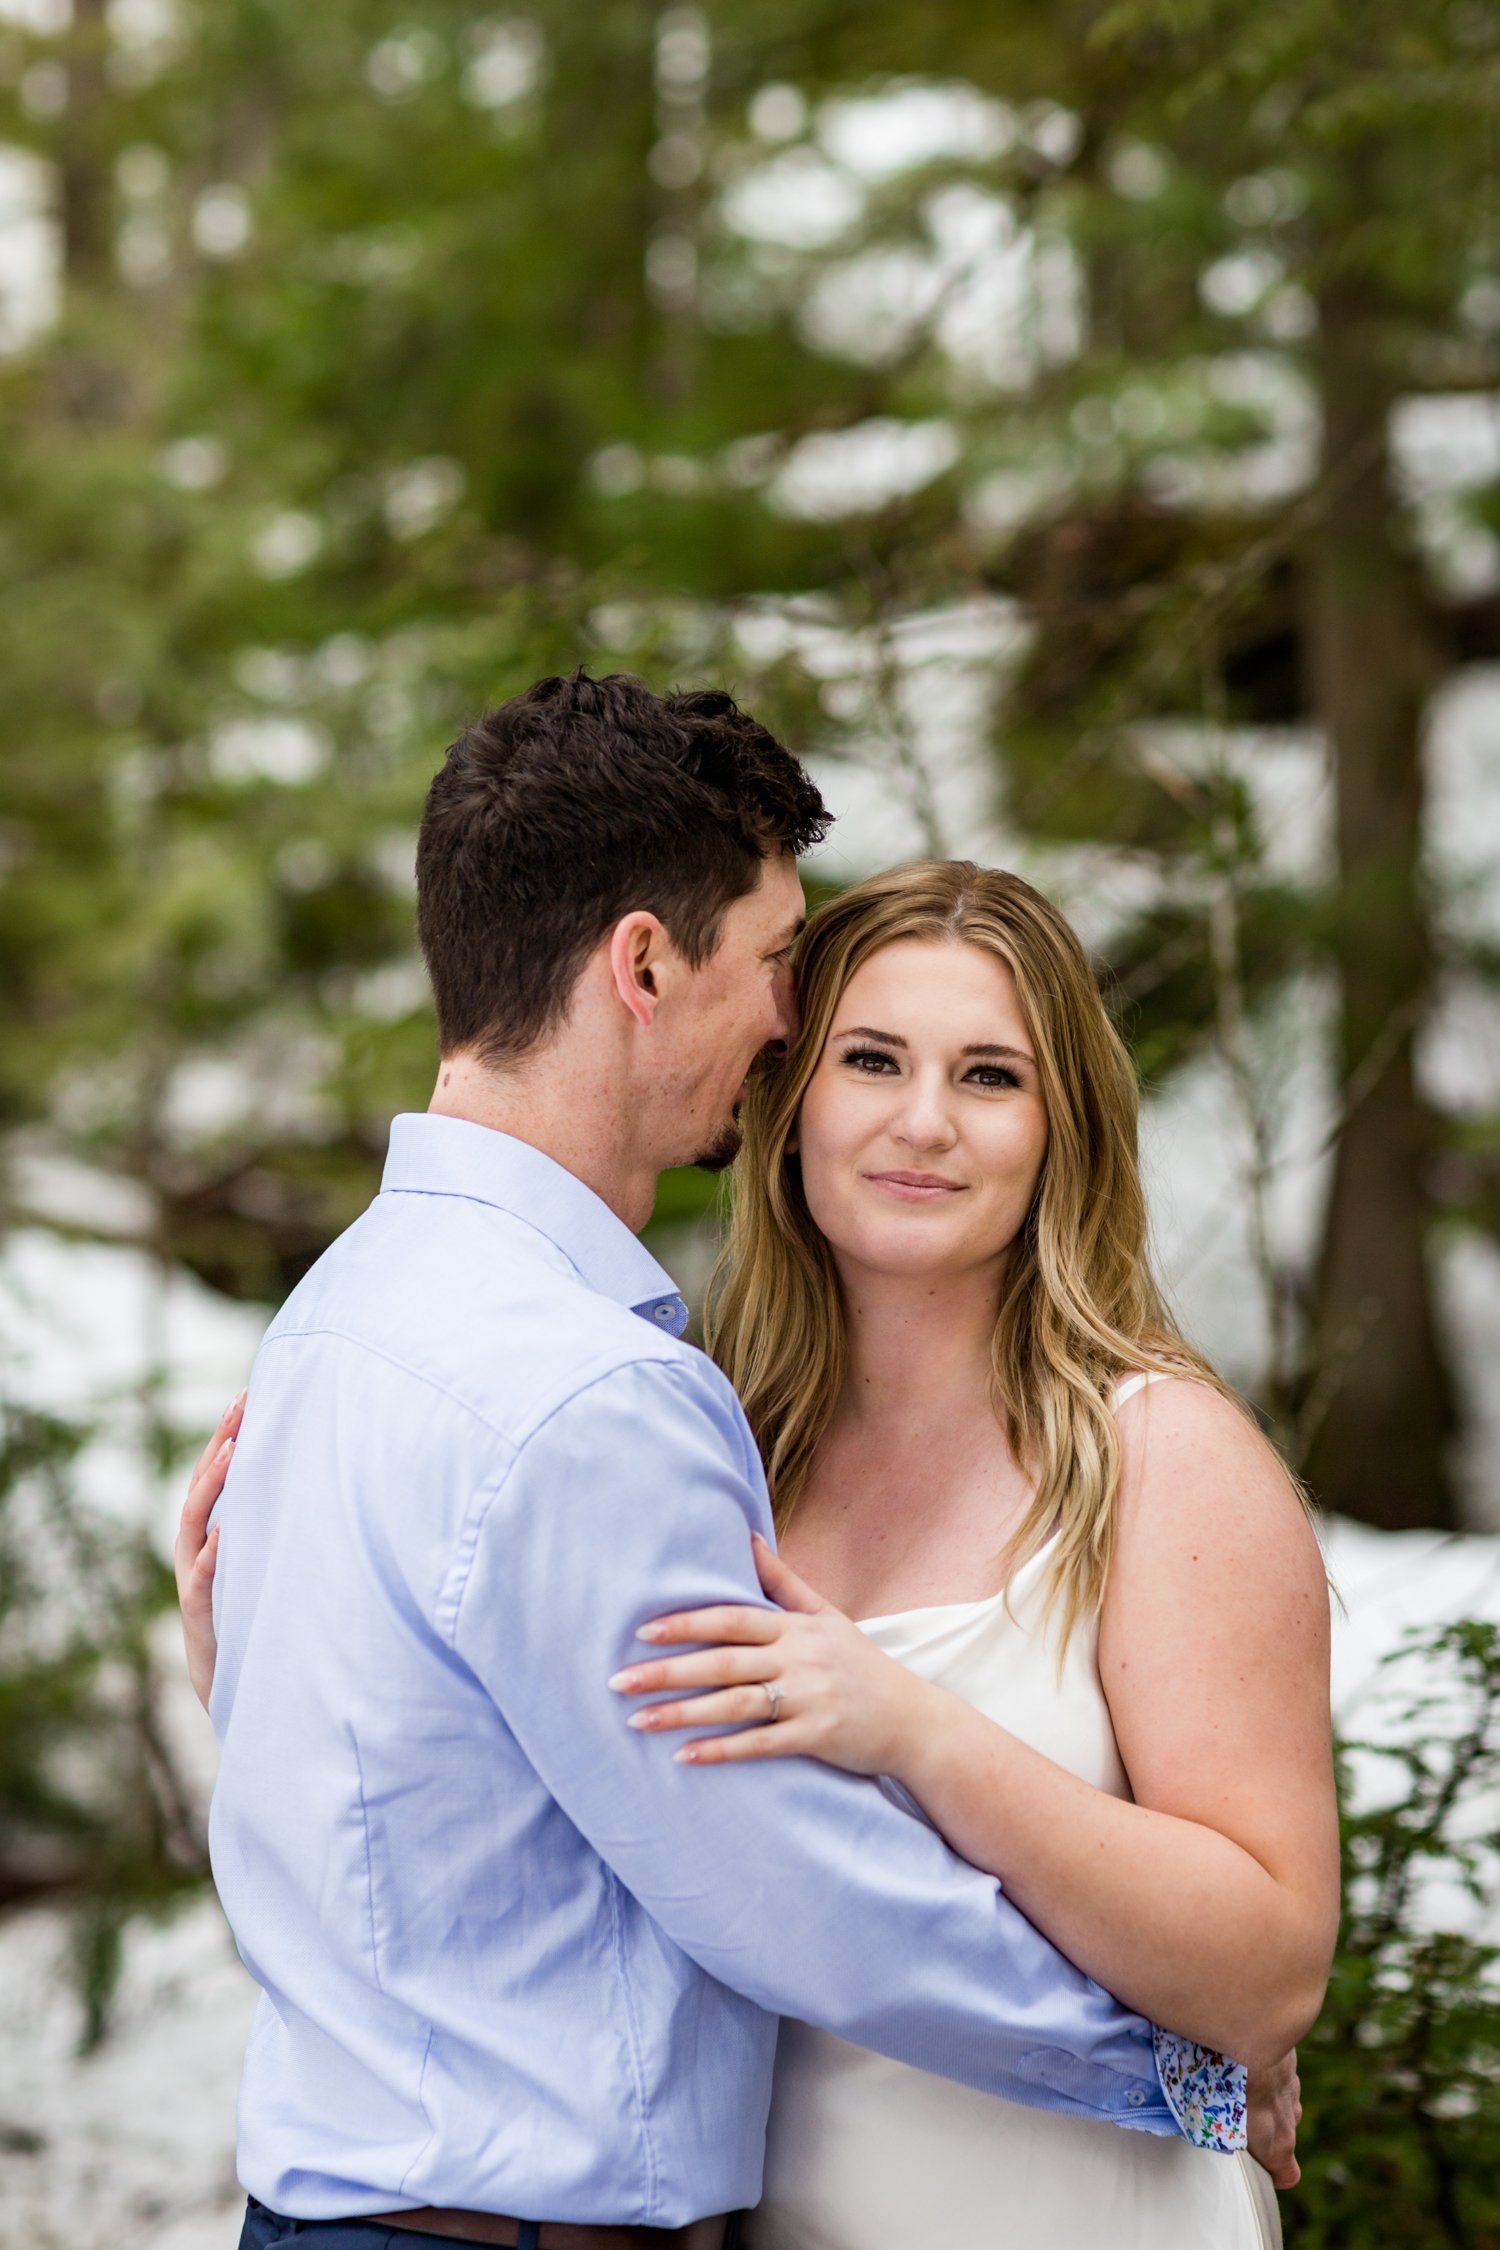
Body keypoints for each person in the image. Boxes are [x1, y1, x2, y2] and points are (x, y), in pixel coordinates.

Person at [176, 671, 1301, 2250]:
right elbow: (787, 1886)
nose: (779, 1022)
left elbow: (461, 1804)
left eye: (990, 1072)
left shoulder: (338, 1319)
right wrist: (1161, 2069)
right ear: (646, 961)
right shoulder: (621, 1400)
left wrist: (258, 1672)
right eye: (803, 992)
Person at [603, 860, 1340, 2248]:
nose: (924, 1122)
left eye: (991, 1076)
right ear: (791, 1099)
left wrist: (918, 1733)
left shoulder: (1158, 1458)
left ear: (1061, 1129)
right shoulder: (717, 1456)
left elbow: (1264, 1976)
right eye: (872, 1058)